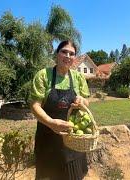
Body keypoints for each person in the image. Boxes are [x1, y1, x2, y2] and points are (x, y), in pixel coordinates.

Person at [30, 40, 90, 180]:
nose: (68, 56)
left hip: (73, 142)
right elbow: (34, 105)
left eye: (72, 53)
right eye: (64, 51)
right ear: (57, 54)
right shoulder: (43, 75)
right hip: (47, 138)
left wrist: (82, 101)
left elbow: (87, 102)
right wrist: (51, 123)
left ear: (75, 58)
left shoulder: (78, 77)